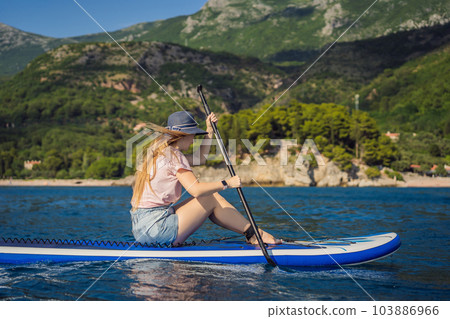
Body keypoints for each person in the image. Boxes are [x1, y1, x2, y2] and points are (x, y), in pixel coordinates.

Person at [130, 110, 281, 246]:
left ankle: (253, 234)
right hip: (156, 230)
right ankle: (255, 235)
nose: (194, 139)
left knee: (211, 196)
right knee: (209, 198)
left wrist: (209, 131)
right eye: (194, 135)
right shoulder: (174, 156)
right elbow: (196, 190)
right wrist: (227, 183)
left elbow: (200, 158)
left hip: (143, 228)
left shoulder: (160, 153)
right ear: (185, 135)